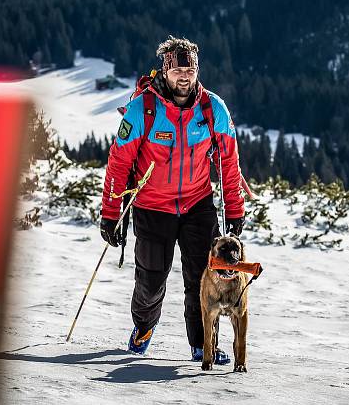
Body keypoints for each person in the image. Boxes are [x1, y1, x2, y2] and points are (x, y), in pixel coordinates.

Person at [99, 36, 244, 364]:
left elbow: (229, 163)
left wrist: (235, 209)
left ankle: (203, 344)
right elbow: (119, 163)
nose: (185, 76)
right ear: (165, 71)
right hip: (152, 206)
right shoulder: (143, 110)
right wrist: (111, 214)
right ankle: (144, 327)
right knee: (151, 280)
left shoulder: (212, 109)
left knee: (203, 278)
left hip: (198, 203)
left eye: (190, 69)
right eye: (178, 69)